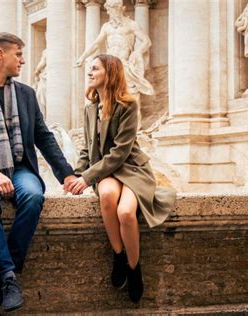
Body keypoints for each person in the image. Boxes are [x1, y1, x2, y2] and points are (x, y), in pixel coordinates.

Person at [0, 32, 76, 312]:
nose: (22, 60)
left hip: (19, 167)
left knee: (33, 196)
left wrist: (66, 174)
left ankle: (2, 272)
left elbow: (43, 137)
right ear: (0, 54)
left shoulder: (26, 94)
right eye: (18, 54)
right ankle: (9, 277)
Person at [68, 54, 176, 302]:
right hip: (106, 172)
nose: (90, 72)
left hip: (131, 168)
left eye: (95, 68)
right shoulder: (90, 108)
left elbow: (120, 152)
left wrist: (86, 178)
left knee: (126, 213)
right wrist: (76, 173)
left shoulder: (128, 105)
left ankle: (134, 267)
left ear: (110, 72)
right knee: (106, 195)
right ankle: (118, 254)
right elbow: (87, 148)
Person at [75, 0, 154, 97]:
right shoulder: (106, 27)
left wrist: (137, 52)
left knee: (129, 94)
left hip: (124, 64)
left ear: (121, 9)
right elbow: (96, 44)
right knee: (107, 94)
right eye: (109, 10)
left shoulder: (131, 24)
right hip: (109, 65)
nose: (109, 13)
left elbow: (147, 41)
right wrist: (82, 58)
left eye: (113, 10)